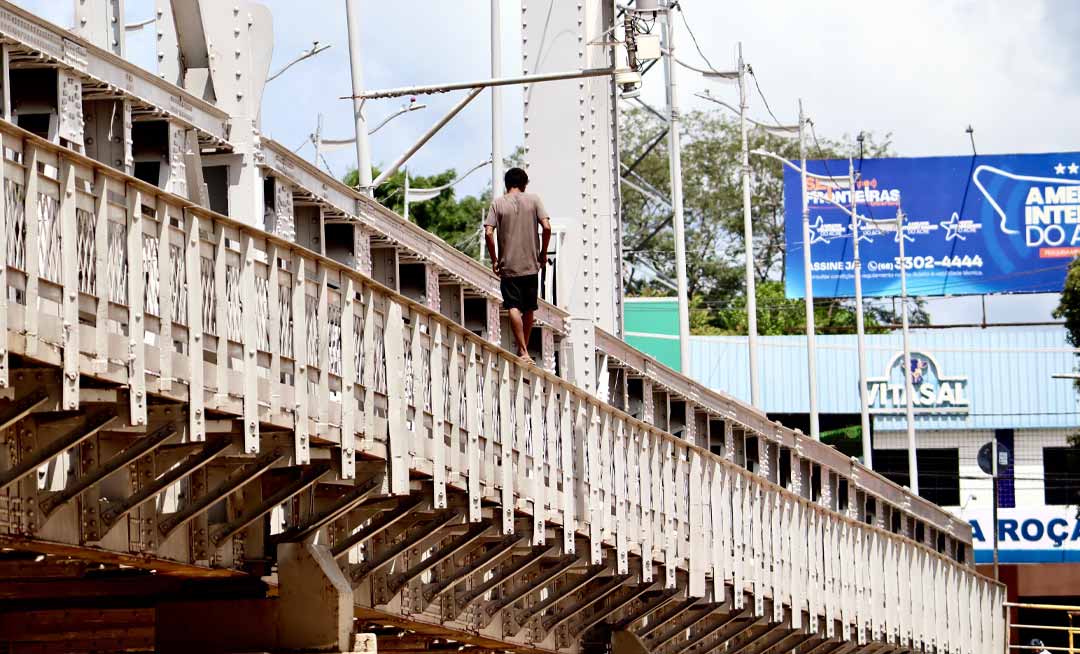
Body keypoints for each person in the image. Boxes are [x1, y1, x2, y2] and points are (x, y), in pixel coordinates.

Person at [484, 167, 552, 363]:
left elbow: (488, 232)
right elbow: (547, 227)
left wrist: (494, 259)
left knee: (513, 305)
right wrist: (543, 253)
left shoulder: (497, 203)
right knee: (529, 308)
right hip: (531, 264)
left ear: (506, 184)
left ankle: (523, 350)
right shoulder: (534, 200)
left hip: (509, 266)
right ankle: (524, 350)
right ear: (524, 184)